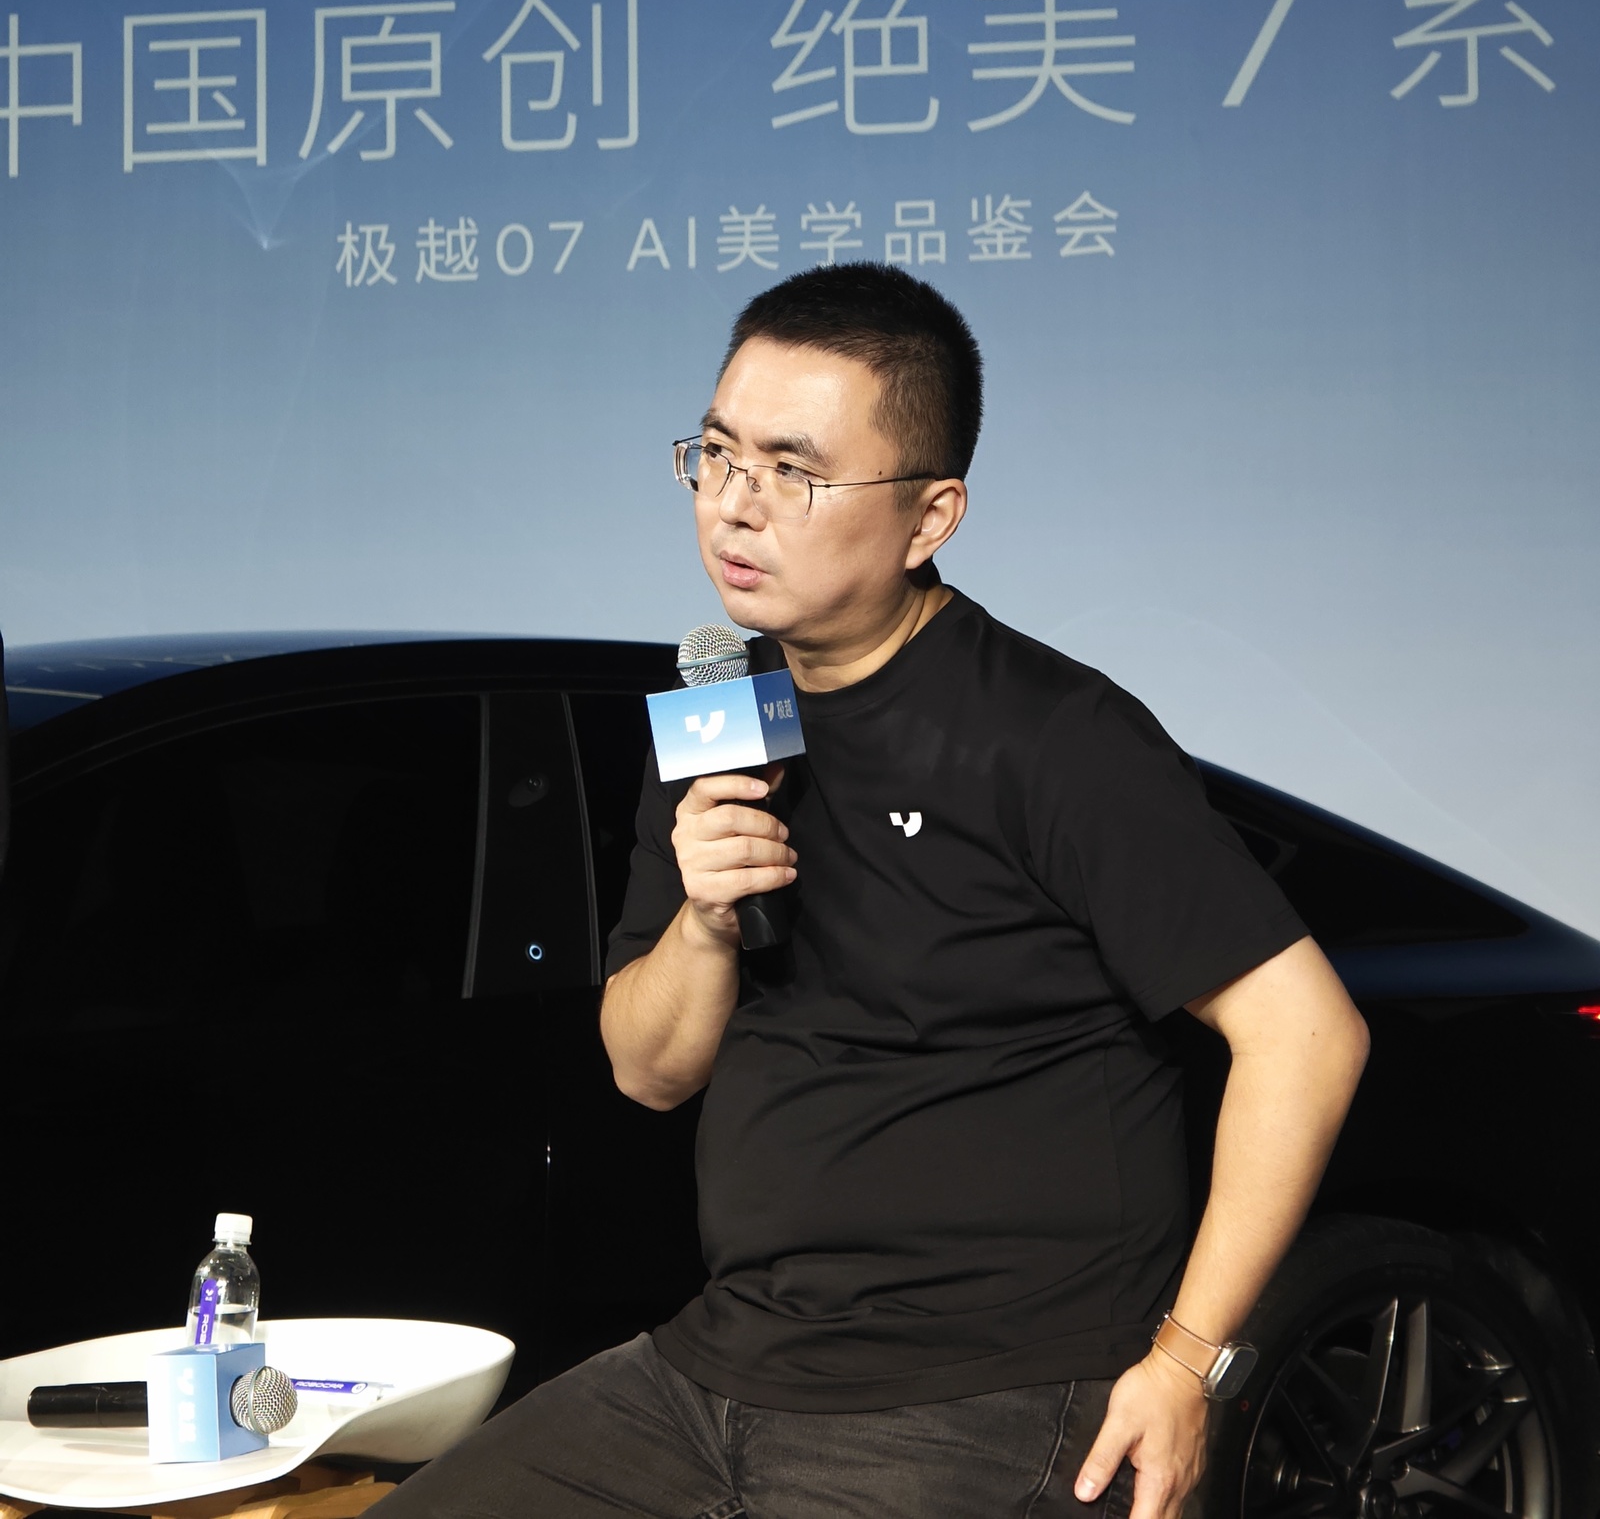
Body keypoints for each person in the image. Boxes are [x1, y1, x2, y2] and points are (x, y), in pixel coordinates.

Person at [381, 263, 1370, 1518]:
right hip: (721, 1360)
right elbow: (647, 1070)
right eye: (717, 456)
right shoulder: (718, 711)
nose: (734, 506)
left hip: (985, 1388)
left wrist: (1186, 1364)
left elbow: (1307, 1034)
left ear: (929, 515)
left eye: (793, 472)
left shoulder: (1052, 737)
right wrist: (705, 920)